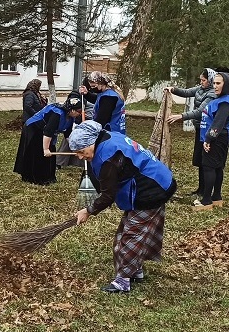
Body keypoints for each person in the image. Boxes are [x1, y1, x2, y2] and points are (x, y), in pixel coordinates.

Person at [70, 121, 177, 293]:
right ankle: (135, 270)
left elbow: (107, 195)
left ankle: (123, 281)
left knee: (131, 236)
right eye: (76, 153)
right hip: (152, 183)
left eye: (81, 152)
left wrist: (88, 211)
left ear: (91, 143)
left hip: (151, 189)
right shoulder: (108, 138)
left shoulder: (108, 158)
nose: (80, 157)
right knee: (130, 232)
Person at [164, 68, 217, 196]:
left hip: (207, 129)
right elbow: (187, 92)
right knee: (199, 160)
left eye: (204, 80)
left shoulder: (212, 94)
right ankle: (200, 189)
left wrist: (181, 116)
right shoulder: (200, 89)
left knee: (205, 160)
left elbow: (200, 111)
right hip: (200, 127)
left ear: (210, 80)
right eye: (201, 80)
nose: (201, 82)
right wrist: (173, 89)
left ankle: (206, 191)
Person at [14, 92, 84, 185]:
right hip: (34, 128)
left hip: (47, 131)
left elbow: (67, 134)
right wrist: (46, 149)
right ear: (72, 110)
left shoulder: (71, 118)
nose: (80, 114)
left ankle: (49, 177)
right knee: (38, 152)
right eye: (79, 111)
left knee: (51, 153)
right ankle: (34, 178)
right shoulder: (57, 114)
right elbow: (48, 132)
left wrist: (75, 148)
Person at [194, 72, 229, 211]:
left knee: (209, 167)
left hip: (217, 139)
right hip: (217, 138)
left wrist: (209, 139)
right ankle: (216, 197)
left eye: (218, 83)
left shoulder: (226, 102)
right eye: (214, 83)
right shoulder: (220, 100)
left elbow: (218, 123)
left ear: (226, 85)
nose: (215, 86)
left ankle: (206, 200)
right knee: (217, 167)